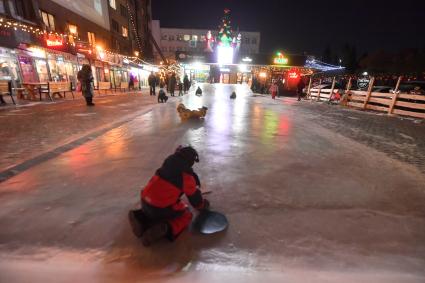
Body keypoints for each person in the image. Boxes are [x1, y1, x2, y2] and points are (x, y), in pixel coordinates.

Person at [128, 146, 210, 246]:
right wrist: (202, 205)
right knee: (186, 214)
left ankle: (140, 218)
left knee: (153, 207)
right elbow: (194, 198)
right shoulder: (186, 177)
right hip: (159, 208)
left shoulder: (166, 165)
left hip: (144, 200)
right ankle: (166, 228)